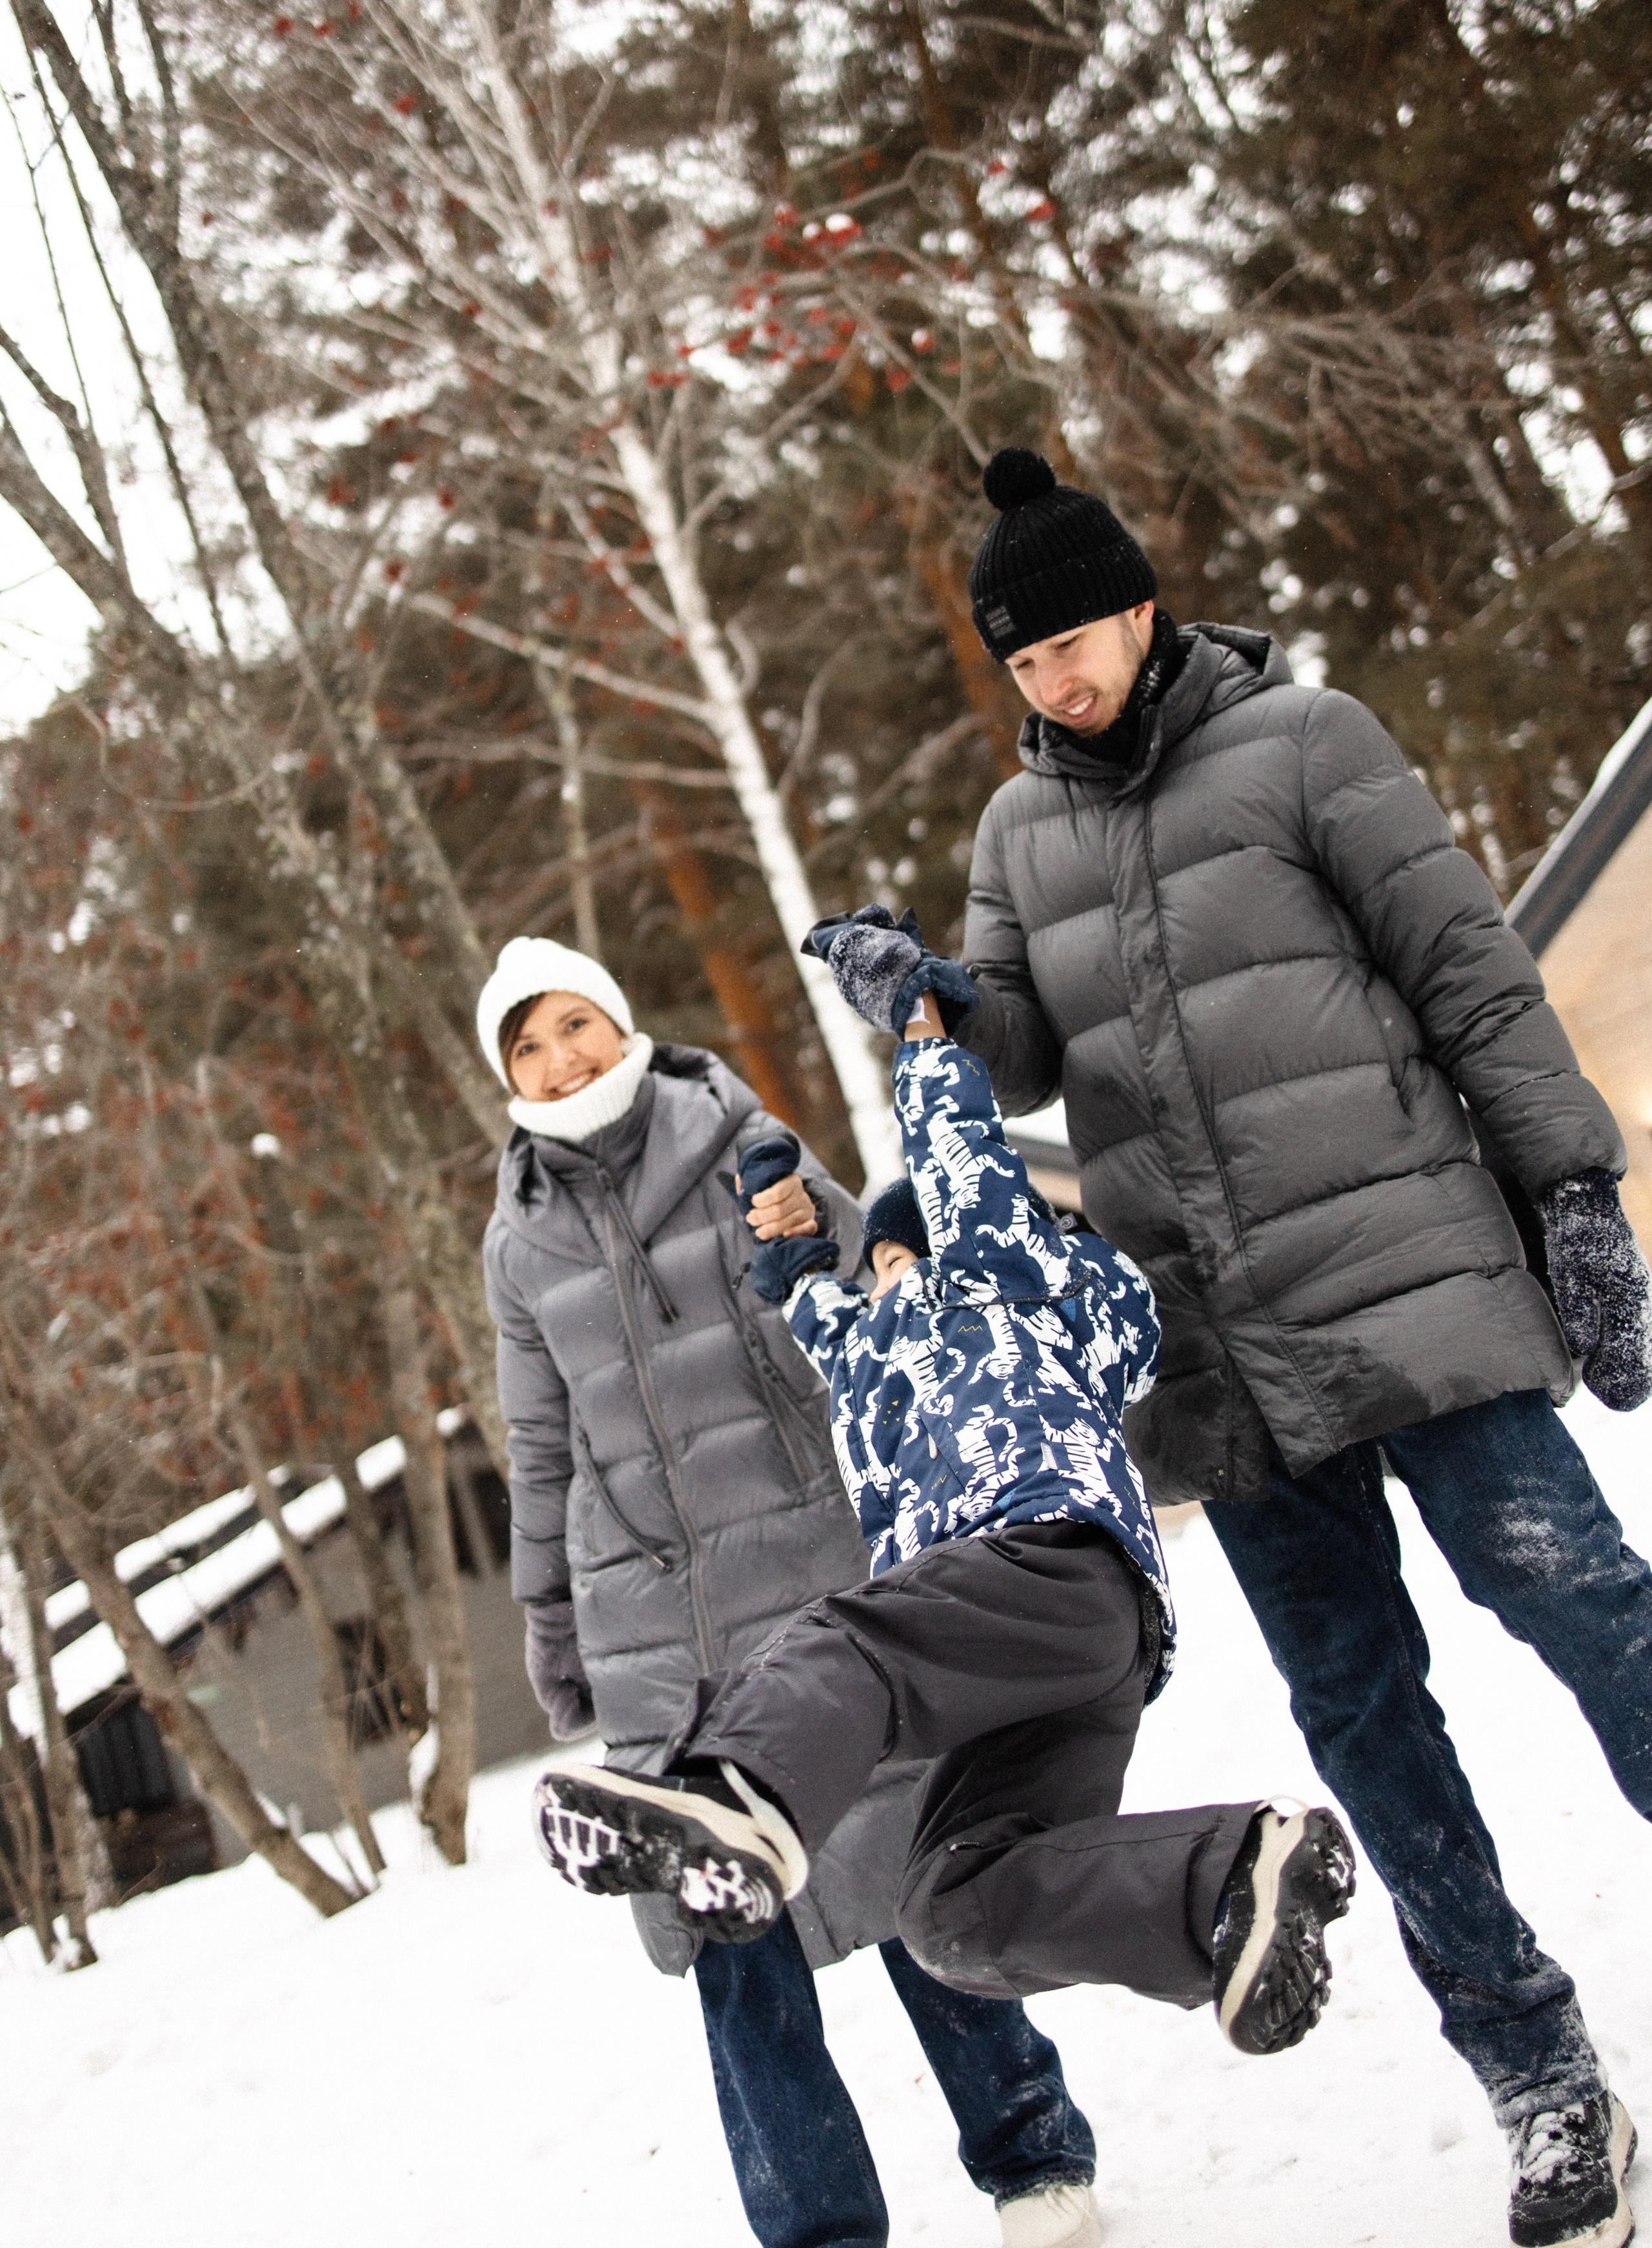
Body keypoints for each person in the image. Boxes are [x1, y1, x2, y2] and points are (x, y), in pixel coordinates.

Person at [949, 444, 1652, 2248]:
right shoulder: (1013, 837)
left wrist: (1575, 1192)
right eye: (1021, 666)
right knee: (1364, 1723)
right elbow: (1022, 1055)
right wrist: (938, 1006)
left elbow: (1467, 967)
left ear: (1138, 605)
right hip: (1220, 1364)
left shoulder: (1308, 744)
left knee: (1586, 1605)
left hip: (1405, 1277)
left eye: (1071, 646)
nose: (1055, 684)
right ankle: (1538, 2073)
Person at [532, 922, 1355, 2098]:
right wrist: (794, 1245)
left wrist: (919, 1025)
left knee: (846, 1639)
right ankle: (1223, 1883)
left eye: (893, 1254)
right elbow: (816, 1311)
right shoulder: (875, 1345)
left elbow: (962, 1163)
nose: (881, 1276)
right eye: (876, 1268)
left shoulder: (1004, 1277)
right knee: (954, 1908)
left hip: (1047, 1554)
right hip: (1046, 1665)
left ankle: (736, 1806)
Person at [476, 934, 1106, 2248]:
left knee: (910, 1873)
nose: (557, 1060)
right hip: (655, 1625)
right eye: (525, 1047)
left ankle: (1032, 2158)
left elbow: (866, 1290)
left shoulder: (730, 1136)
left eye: (571, 1025)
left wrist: (808, 1233)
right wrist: (550, 1621)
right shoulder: (516, 1239)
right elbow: (535, 1446)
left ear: (618, 1015)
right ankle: (817, 2232)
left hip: (818, 1563)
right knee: (729, 1945)